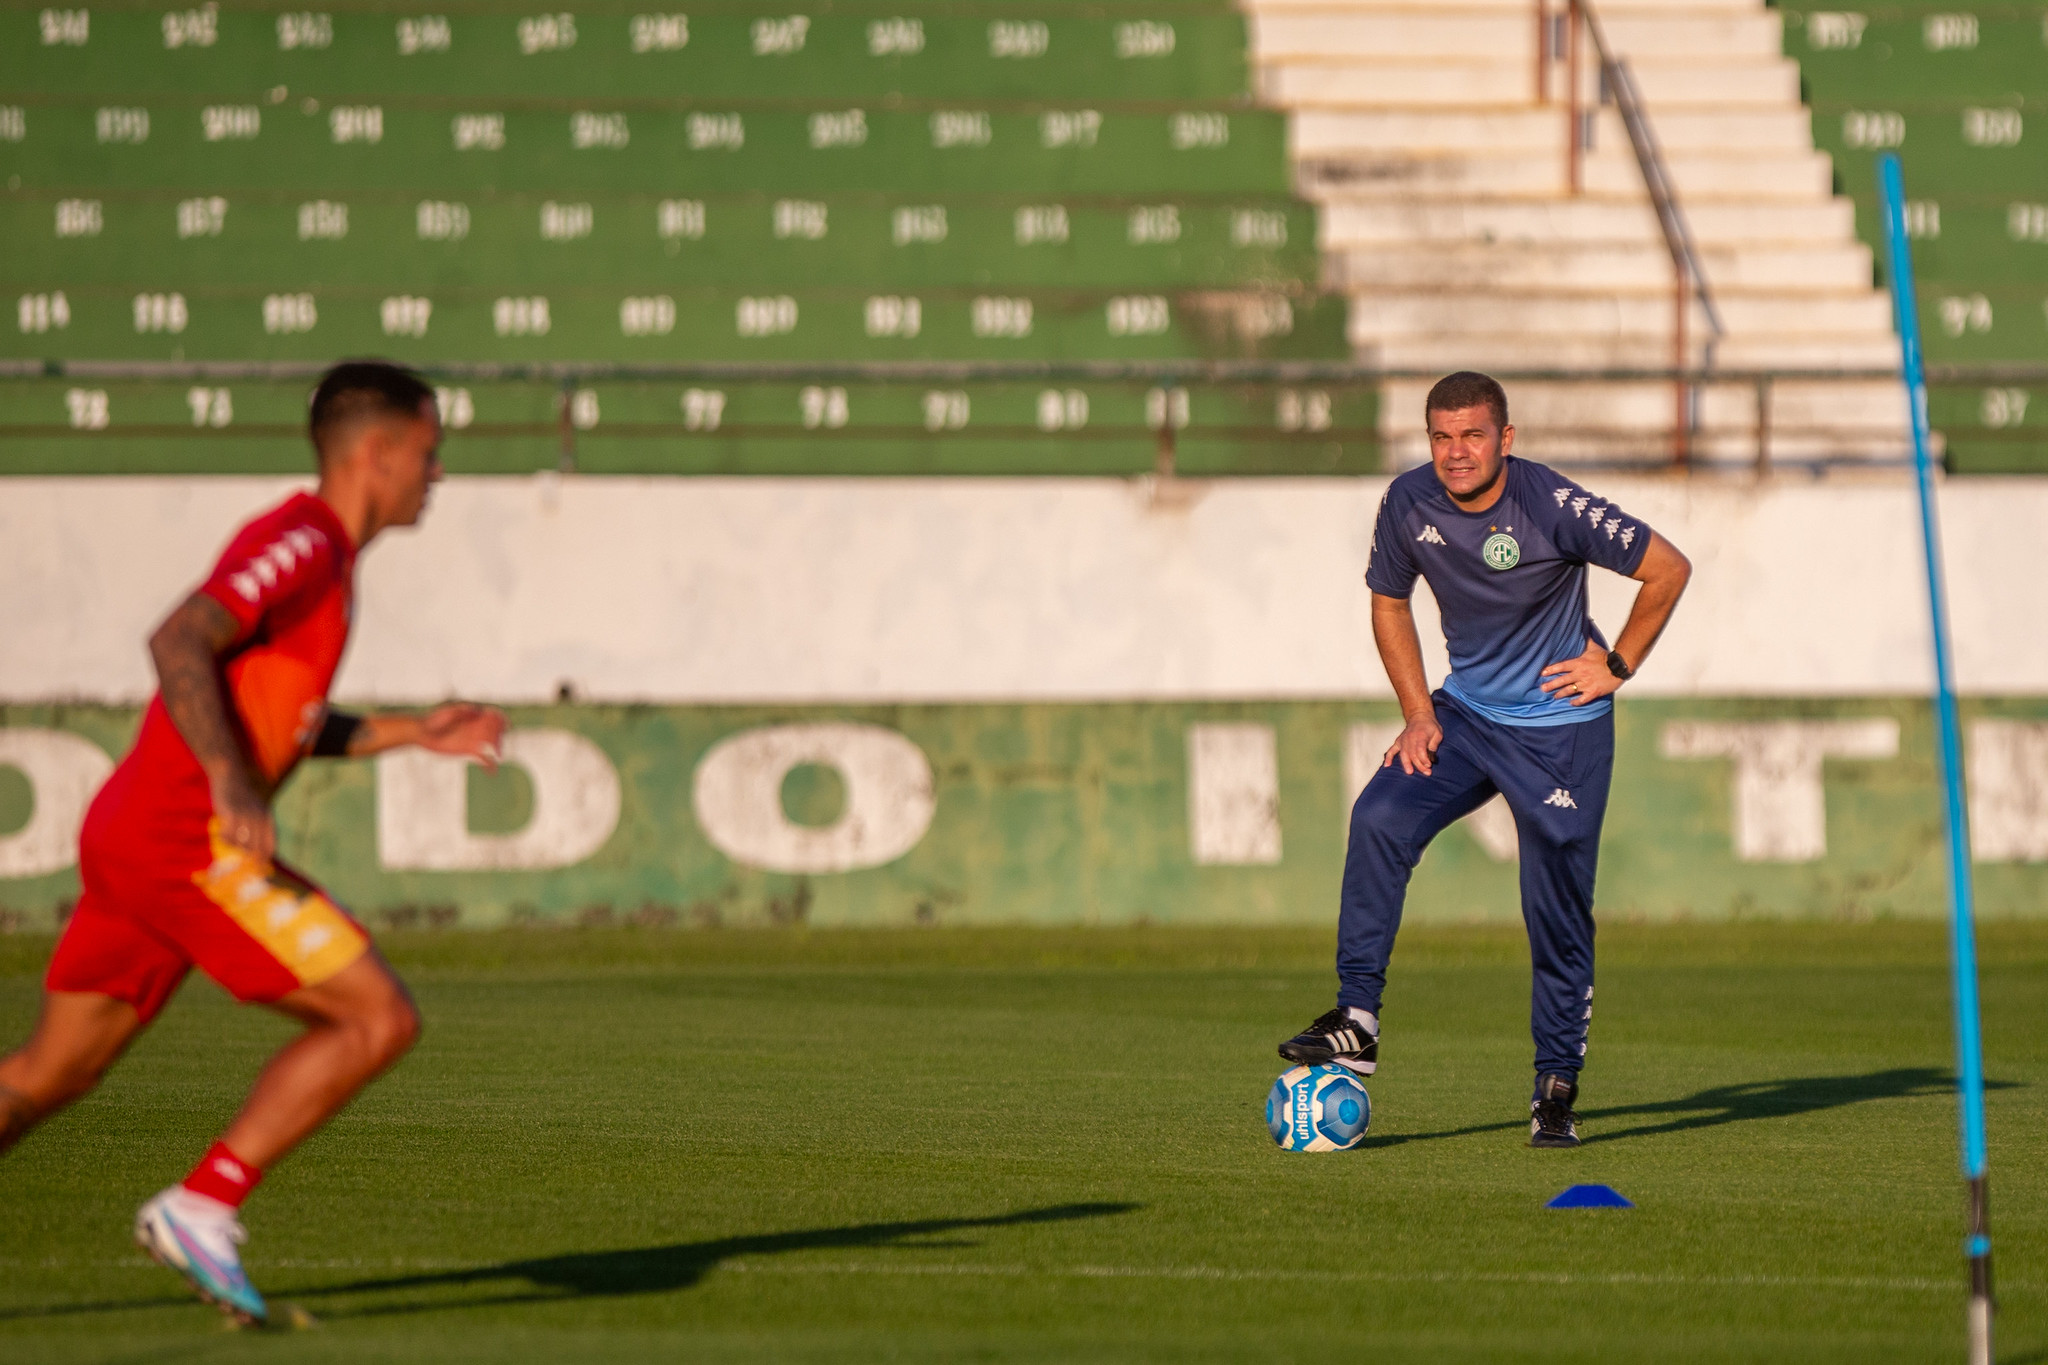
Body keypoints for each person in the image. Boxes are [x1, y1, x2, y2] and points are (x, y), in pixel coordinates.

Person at [0, 361, 505, 1322]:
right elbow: (180, 638)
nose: (436, 475)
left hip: (140, 835)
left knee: (47, 1073)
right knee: (376, 1019)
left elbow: (276, 712)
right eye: (430, 454)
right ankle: (203, 1202)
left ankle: (201, 1203)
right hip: (182, 836)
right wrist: (230, 778)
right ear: (378, 452)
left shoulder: (330, 561)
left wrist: (410, 730)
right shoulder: (304, 539)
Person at [1276, 371, 1692, 1147]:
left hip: (1562, 730)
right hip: (1466, 716)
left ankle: (1556, 1085)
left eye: (1473, 435)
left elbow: (1669, 568)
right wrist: (1417, 712)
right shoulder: (1409, 502)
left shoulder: (1550, 505)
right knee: (1379, 816)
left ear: (1507, 437)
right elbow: (1388, 600)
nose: (1456, 452)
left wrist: (1618, 665)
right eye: (1441, 435)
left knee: (1554, 903)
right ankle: (1357, 1019)